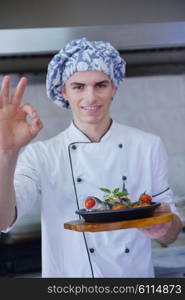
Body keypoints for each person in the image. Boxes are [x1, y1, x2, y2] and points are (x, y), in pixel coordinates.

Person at [0, 38, 182, 278]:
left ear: (114, 86)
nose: (91, 97)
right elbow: (3, 220)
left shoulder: (147, 146)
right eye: (78, 86)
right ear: (63, 91)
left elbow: (171, 231)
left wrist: (165, 228)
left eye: (100, 85)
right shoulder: (42, 155)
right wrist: (7, 152)